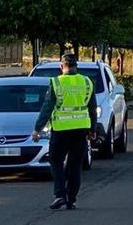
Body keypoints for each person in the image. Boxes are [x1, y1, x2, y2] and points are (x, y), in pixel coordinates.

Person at [32, 53, 97, 210]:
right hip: (81, 130)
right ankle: (71, 199)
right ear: (76, 67)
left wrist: (37, 129)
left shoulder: (56, 82)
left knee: (56, 162)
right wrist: (92, 129)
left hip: (61, 130)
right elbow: (92, 109)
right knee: (75, 165)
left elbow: (47, 108)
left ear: (61, 67)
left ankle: (60, 195)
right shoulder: (87, 82)